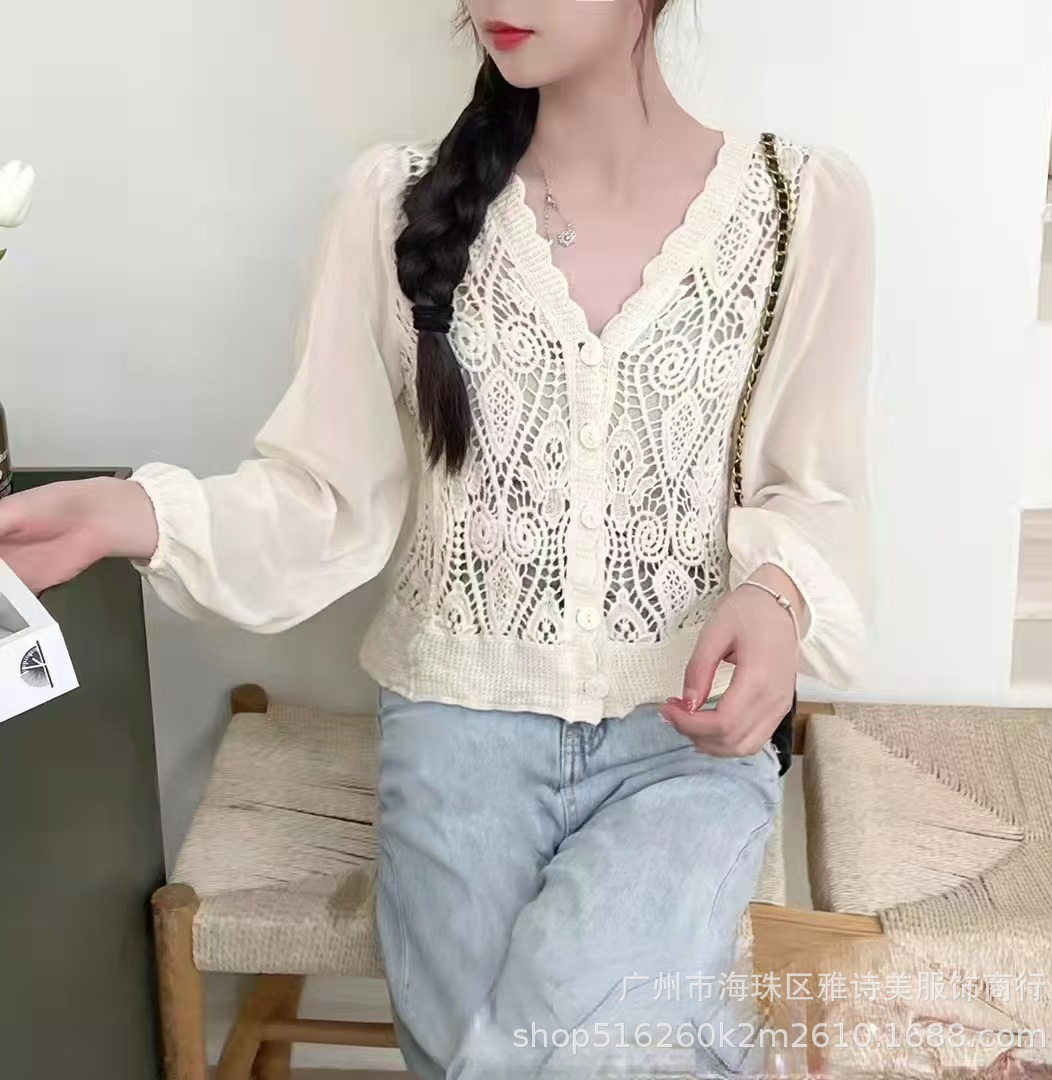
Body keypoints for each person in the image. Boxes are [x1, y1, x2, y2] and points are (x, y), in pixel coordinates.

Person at [0, 0, 873, 1075]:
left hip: (685, 747)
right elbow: (326, 499)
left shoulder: (797, 207)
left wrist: (779, 597)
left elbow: (816, 491)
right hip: (459, 738)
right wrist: (136, 514)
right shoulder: (392, 206)